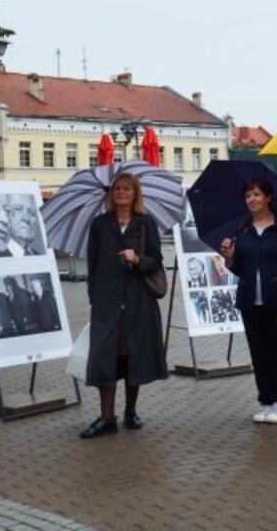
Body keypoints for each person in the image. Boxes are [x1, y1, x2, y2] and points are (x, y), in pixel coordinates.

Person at [82, 173, 168, 439]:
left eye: (127, 189)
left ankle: (131, 411)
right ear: (111, 194)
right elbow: (92, 264)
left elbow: (156, 260)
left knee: (134, 356)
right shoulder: (99, 225)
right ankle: (107, 417)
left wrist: (138, 259)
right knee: (104, 357)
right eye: (117, 188)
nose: (121, 193)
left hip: (138, 301)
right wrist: (95, 299)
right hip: (107, 302)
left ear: (135, 193)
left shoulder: (145, 224)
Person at [220, 178, 277, 424]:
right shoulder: (243, 230)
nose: (252, 199)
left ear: (268, 197)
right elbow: (239, 268)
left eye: (257, 194)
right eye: (248, 195)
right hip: (250, 302)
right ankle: (265, 401)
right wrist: (230, 258)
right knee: (258, 353)